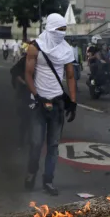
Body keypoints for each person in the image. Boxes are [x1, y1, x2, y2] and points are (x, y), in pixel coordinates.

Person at [22, 14, 77, 195]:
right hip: (38, 103)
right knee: (36, 143)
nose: (62, 33)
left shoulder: (67, 50)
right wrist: (36, 95)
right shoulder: (34, 47)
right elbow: (28, 74)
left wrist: (74, 102)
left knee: (53, 145)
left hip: (58, 103)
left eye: (64, 29)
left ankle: (48, 181)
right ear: (50, 28)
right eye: (59, 29)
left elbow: (70, 76)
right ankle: (31, 173)